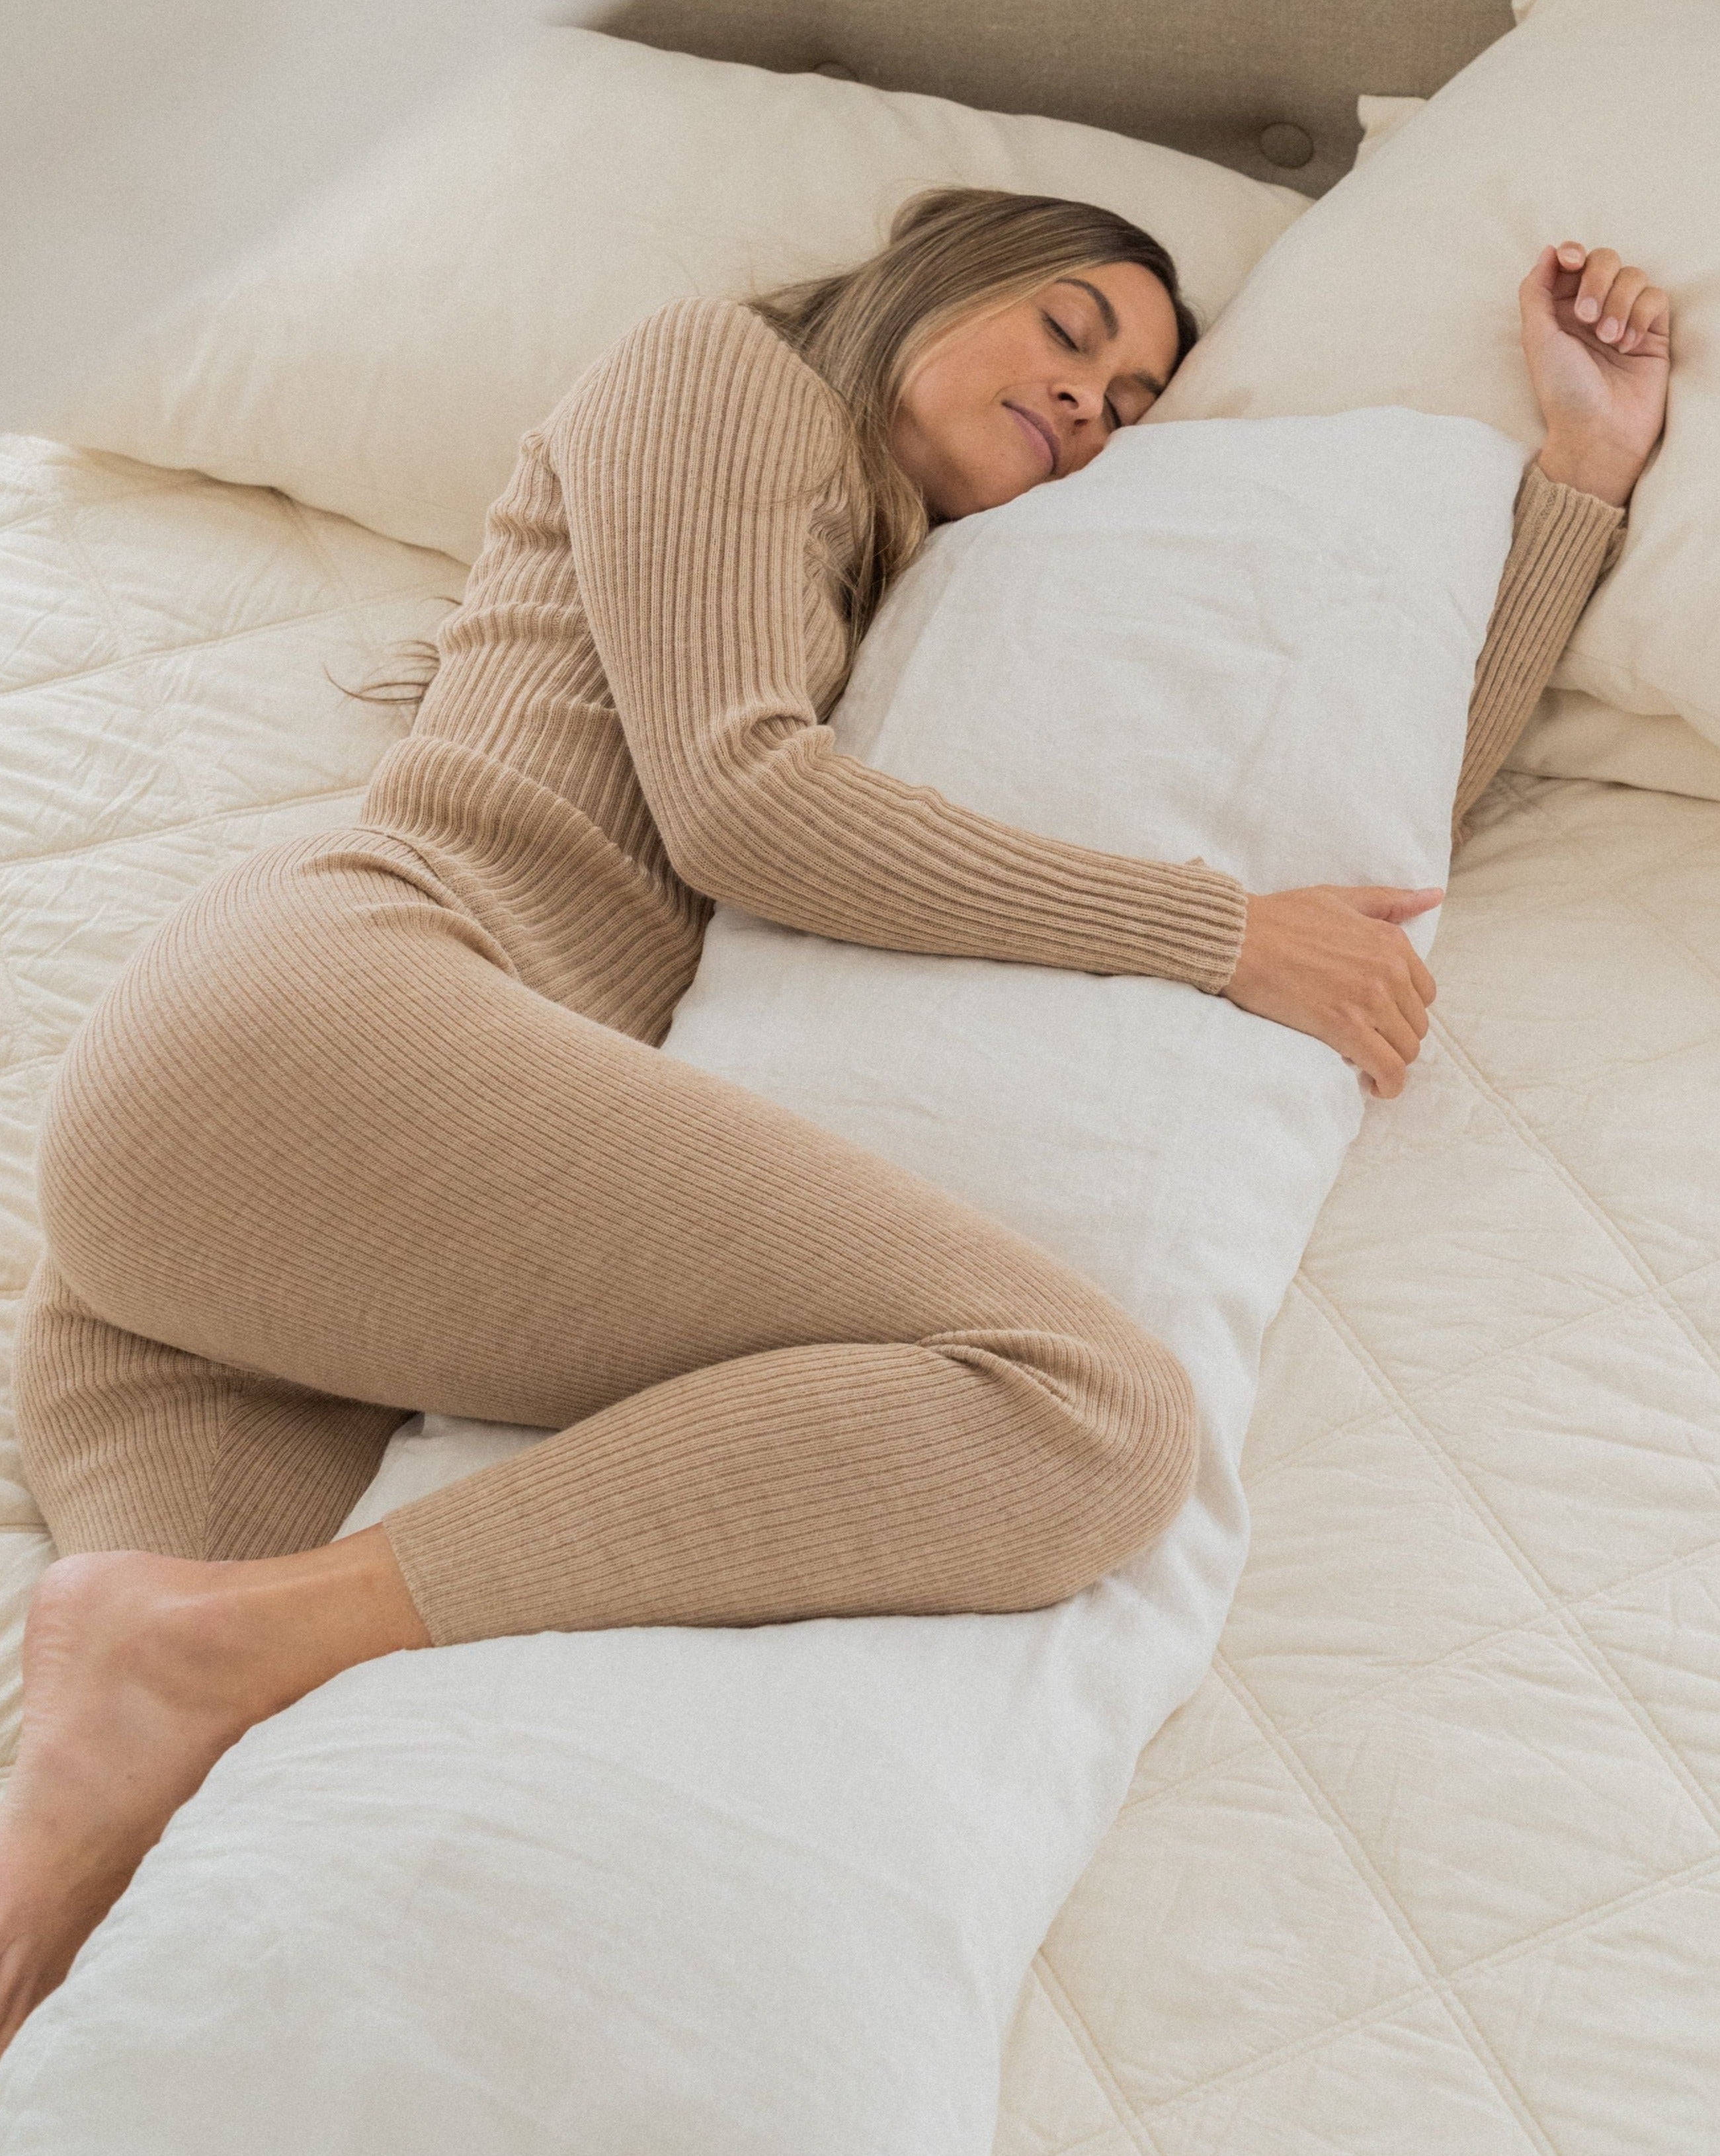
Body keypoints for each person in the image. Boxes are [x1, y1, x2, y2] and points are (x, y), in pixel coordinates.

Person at [0, 187, 1671, 2049]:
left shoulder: (953, 599)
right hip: (325, 1042)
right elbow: (739, 805)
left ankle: (191, 1641)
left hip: (261, 1289)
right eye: (1065, 331)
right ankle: (219, 1634)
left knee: (127, 1942)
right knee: (1086, 1416)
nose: (1091, 405)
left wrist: (1579, 481)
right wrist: (1212, 936)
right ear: (929, 274)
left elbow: (1336, 781)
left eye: (1130, 403)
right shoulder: (727, 374)